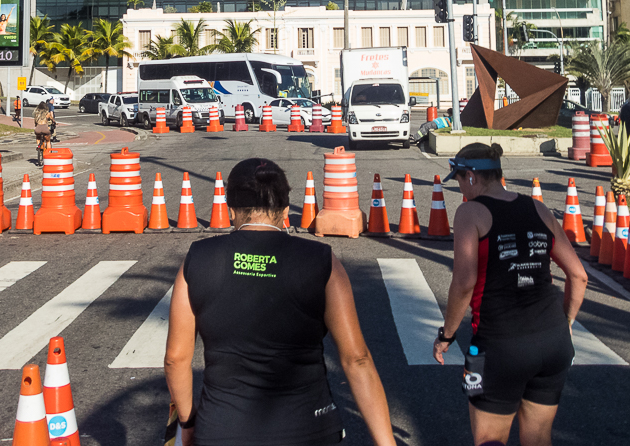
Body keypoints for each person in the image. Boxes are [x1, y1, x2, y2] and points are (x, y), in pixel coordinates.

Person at [165, 158, 396, 446]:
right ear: (286, 211)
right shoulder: (320, 260)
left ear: (231, 209)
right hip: (310, 429)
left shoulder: (198, 257)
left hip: (221, 429)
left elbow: (176, 358)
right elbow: (357, 359)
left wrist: (187, 423)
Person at [434, 142, 587, 446]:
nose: (461, 189)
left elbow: (464, 283)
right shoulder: (538, 208)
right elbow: (579, 276)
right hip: (553, 343)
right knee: (539, 437)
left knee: (489, 439)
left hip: (496, 348)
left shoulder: (470, 212)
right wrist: (566, 322)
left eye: (461, 180)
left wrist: (447, 335)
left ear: (472, 177)